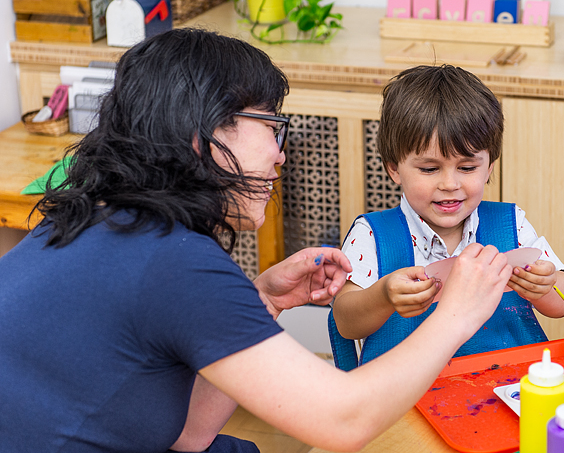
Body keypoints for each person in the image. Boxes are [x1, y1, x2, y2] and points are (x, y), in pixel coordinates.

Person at [0, 30, 513, 453]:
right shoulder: (173, 262)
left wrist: (262, 300)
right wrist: (458, 312)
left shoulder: (88, 216)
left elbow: (189, 433)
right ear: (204, 136)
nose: (280, 155)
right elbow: (344, 420)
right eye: (271, 126)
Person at [331, 64, 564, 367]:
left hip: (505, 391)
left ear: (490, 167)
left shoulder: (511, 225)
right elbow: (345, 320)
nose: (449, 184)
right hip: (404, 399)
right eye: (429, 169)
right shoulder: (372, 234)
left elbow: (563, 303)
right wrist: (383, 296)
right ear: (393, 168)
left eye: (467, 168)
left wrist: (544, 285)